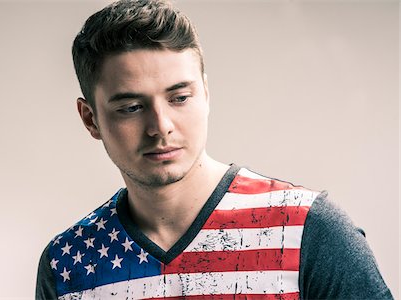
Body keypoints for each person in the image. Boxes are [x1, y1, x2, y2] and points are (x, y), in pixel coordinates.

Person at [35, 0, 393, 299]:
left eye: (179, 97)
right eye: (131, 107)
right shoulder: (67, 264)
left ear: (205, 93)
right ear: (90, 119)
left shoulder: (306, 229)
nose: (161, 126)